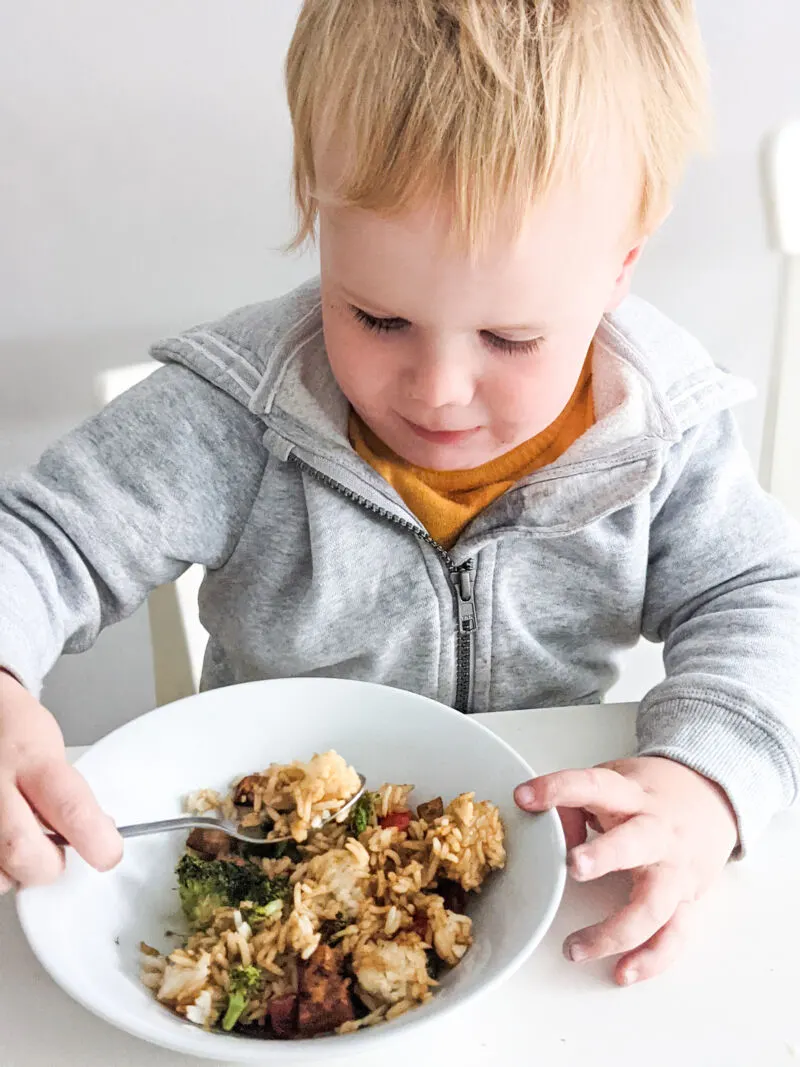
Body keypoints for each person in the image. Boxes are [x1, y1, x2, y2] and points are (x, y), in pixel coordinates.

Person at [1, 0, 798, 988]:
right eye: (375, 315)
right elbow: (41, 541)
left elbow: (758, 593)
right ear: (315, 217)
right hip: (261, 879)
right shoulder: (235, 413)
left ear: (618, 268)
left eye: (510, 338)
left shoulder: (659, 428)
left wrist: (707, 777)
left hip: (539, 884)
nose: (436, 389)